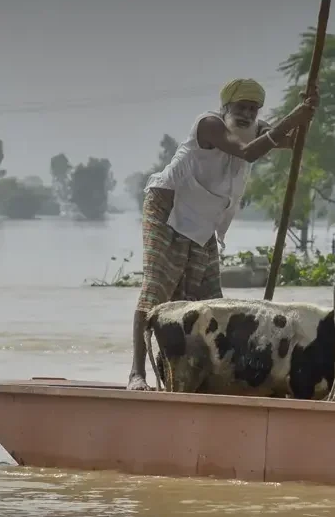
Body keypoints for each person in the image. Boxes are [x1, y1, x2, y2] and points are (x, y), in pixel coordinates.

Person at [127, 78, 319, 391]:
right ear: (226, 108)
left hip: (203, 223)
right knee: (156, 291)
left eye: (253, 109)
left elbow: (296, 141)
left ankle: (193, 376)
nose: (246, 114)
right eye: (240, 107)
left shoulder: (258, 130)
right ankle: (137, 374)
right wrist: (293, 118)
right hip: (167, 208)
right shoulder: (209, 125)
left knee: (207, 304)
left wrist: (308, 113)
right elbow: (249, 152)